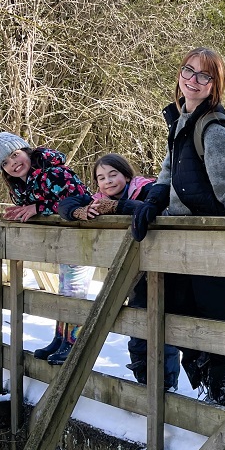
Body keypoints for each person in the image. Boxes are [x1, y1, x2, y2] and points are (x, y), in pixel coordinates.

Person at [129, 47, 225, 407]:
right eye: (188, 70)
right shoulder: (182, 121)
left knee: (217, 315)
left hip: (209, 241)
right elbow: (168, 174)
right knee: (180, 311)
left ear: (215, 85)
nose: (192, 79)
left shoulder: (212, 127)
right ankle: (206, 388)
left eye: (203, 75)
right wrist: (151, 201)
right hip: (181, 241)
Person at [0, 122, 93, 365]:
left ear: (26, 151)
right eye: (5, 162)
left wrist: (38, 207)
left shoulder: (55, 172)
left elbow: (79, 201)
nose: (13, 163)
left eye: (15, 154)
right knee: (64, 291)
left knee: (73, 293)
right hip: (61, 243)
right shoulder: (24, 185)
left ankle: (74, 343)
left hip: (83, 238)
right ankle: (61, 339)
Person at [58, 153, 181, 391]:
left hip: (161, 271)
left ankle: (166, 386)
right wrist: (78, 212)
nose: (108, 181)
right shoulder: (97, 200)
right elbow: (65, 204)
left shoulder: (148, 189)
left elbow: (149, 209)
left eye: (113, 174)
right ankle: (144, 383)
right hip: (131, 276)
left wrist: (116, 206)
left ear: (126, 174)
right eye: (101, 177)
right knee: (137, 331)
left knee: (162, 331)